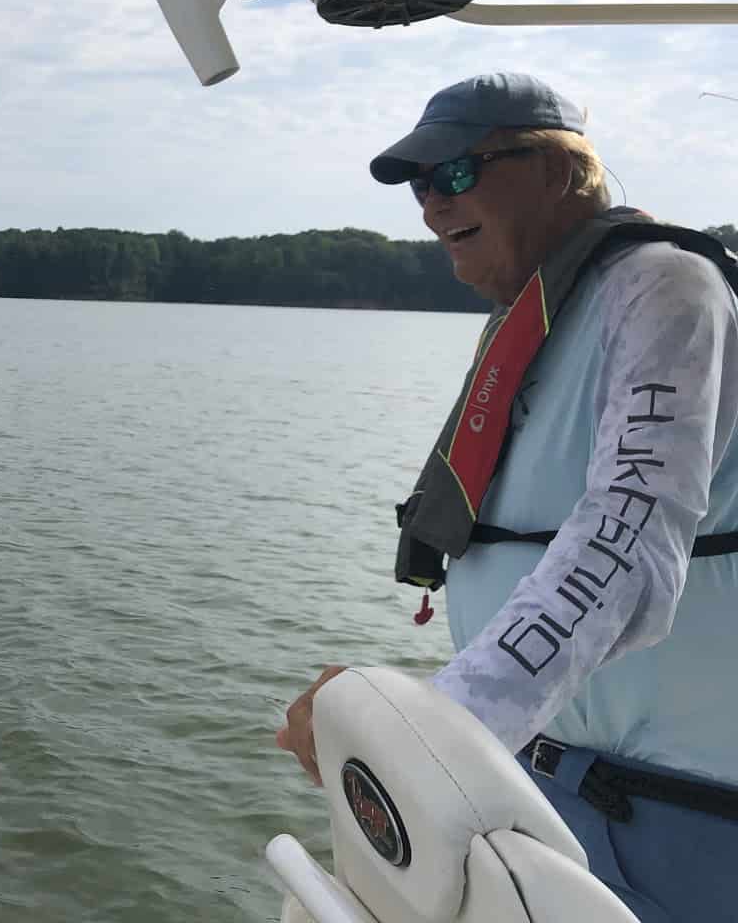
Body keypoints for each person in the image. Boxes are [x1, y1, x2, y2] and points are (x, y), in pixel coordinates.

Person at [275, 73, 738, 922]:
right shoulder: (549, 310)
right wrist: (445, 731)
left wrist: (432, 729)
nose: (429, 204)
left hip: (682, 821)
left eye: (456, 174)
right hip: (538, 786)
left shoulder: (667, 292)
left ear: (560, 171)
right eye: (420, 185)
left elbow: (623, 546)